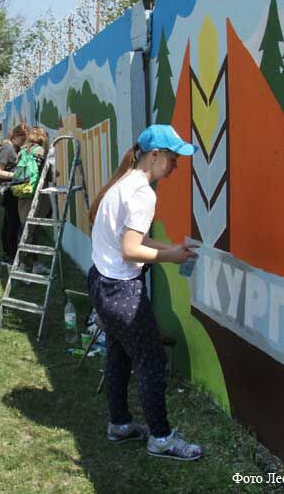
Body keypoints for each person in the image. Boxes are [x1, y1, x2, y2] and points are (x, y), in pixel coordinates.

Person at [87, 124, 203, 461]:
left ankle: (120, 424)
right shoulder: (142, 193)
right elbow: (130, 249)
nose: (176, 166)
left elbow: (133, 240)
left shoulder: (123, 183)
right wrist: (172, 256)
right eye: (173, 158)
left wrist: (169, 247)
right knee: (151, 361)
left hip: (102, 283)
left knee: (119, 355)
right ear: (155, 155)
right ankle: (162, 439)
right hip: (121, 290)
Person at [17, 127, 51, 275]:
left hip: (22, 192)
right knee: (29, 231)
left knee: (30, 229)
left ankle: (35, 263)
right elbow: (47, 175)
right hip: (36, 195)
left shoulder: (22, 151)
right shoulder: (41, 152)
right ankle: (22, 266)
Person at [0, 123, 29, 265]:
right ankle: (11, 256)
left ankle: (8, 254)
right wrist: (15, 175)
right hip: (9, 190)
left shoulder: (13, 148)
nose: (23, 143)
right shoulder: (6, 149)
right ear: (15, 136)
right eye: (22, 140)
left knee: (9, 223)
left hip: (12, 189)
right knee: (12, 224)